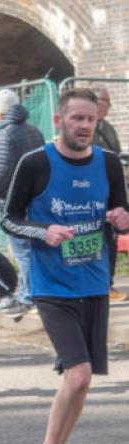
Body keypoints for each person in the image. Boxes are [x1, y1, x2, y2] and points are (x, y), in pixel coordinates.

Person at [2, 88, 129, 444]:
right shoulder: (36, 162)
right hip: (52, 285)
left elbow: (121, 210)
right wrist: (45, 232)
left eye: (89, 119)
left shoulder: (108, 163)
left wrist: (122, 217)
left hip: (93, 281)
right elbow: (9, 218)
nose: (83, 126)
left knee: (84, 378)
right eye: (76, 118)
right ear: (59, 121)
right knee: (76, 375)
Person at [0, 88, 45, 315]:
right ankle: (37, 292)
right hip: (36, 197)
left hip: (15, 200)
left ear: (0, 111)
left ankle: (28, 296)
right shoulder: (33, 130)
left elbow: (2, 169)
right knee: (35, 248)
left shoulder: (6, 134)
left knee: (22, 250)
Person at [92, 87, 125, 301]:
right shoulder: (87, 128)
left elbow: (117, 153)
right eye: (107, 101)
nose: (110, 106)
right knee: (95, 238)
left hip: (111, 190)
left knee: (110, 238)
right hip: (92, 192)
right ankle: (97, 284)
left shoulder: (109, 128)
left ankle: (108, 284)